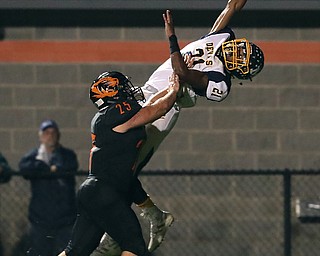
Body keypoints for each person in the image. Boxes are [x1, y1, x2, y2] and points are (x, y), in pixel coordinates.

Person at [93, 0, 265, 255]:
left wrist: (172, 37)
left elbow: (181, 72)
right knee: (115, 166)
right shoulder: (220, 38)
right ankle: (154, 217)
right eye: (243, 49)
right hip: (145, 93)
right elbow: (232, 6)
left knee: (122, 170)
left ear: (239, 71)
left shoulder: (220, 83)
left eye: (241, 57)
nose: (237, 51)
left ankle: (115, 232)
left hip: (163, 110)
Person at [57, 70, 180, 256]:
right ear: (110, 92)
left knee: (74, 252)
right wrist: (174, 90)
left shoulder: (109, 116)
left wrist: (171, 88)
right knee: (135, 249)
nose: (127, 91)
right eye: (122, 87)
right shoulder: (115, 113)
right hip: (104, 193)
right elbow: (158, 109)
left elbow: (149, 105)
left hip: (94, 192)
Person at [19, 119, 79, 256]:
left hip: (65, 219)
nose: (50, 136)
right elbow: (24, 167)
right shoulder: (34, 156)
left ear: (58, 135)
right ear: (40, 136)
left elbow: (69, 166)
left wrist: (49, 171)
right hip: (40, 220)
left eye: (53, 133)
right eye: (46, 133)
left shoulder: (67, 155)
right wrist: (47, 169)